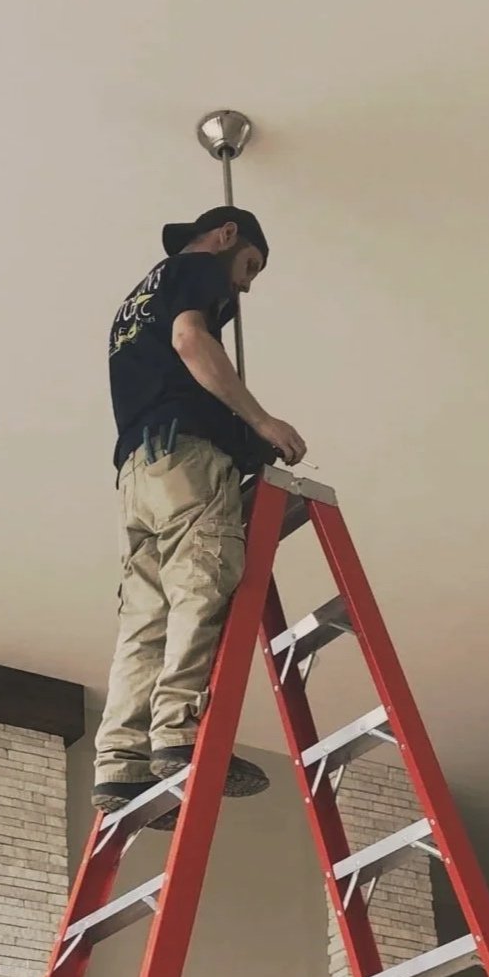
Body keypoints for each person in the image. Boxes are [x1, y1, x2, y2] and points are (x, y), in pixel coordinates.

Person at [94, 205, 308, 816]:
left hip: (138, 471)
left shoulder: (134, 303)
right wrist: (262, 421)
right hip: (185, 457)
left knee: (145, 617)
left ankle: (119, 765)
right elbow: (191, 340)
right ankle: (179, 734)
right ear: (225, 236)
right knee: (201, 583)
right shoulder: (194, 272)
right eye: (248, 266)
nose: (244, 284)